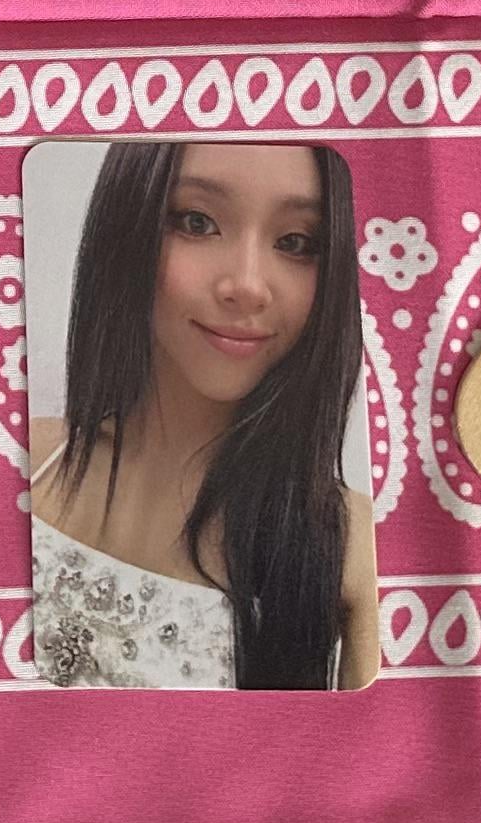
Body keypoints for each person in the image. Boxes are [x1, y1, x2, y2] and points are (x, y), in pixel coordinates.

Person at [26, 139, 378, 691]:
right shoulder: (20, 458)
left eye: (295, 242)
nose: (247, 285)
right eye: (197, 222)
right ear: (129, 224)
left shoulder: (354, 546)